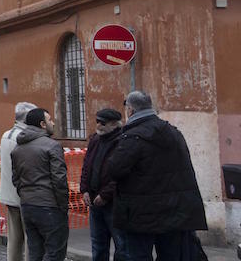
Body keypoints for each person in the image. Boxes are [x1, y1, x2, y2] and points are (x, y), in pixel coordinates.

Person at [106, 91, 207, 260]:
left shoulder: (133, 137)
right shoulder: (173, 132)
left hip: (140, 214)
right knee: (171, 256)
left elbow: (114, 170)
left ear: (130, 110)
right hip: (174, 212)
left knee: (137, 255)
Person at [11, 108, 68, 261]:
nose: (53, 123)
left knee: (35, 252)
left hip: (28, 206)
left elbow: (16, 179)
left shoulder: (18, 148)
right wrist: (63, 206)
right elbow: (59, 180)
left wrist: (25, 196)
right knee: (54, 252)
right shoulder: (52, 146)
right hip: (50, 206)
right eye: (50, 120)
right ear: (42, 124)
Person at [79, 109, 125, 261]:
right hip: (94, 201)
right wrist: (84, 189)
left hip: (114, 203)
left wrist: (105, 195)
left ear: (113, 124)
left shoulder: (123, 141)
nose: (98, 125)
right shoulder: (95, 140)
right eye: (97, 121)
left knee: (122, 246)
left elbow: (121, 174)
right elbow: (86, 166)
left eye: (102, 122)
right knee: (98, 245)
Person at [0, 102, 37, 261]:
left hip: (8, 194)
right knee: (31, 239)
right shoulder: (24, 138)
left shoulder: (6, 135)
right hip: (24, 195)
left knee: (14, 239)